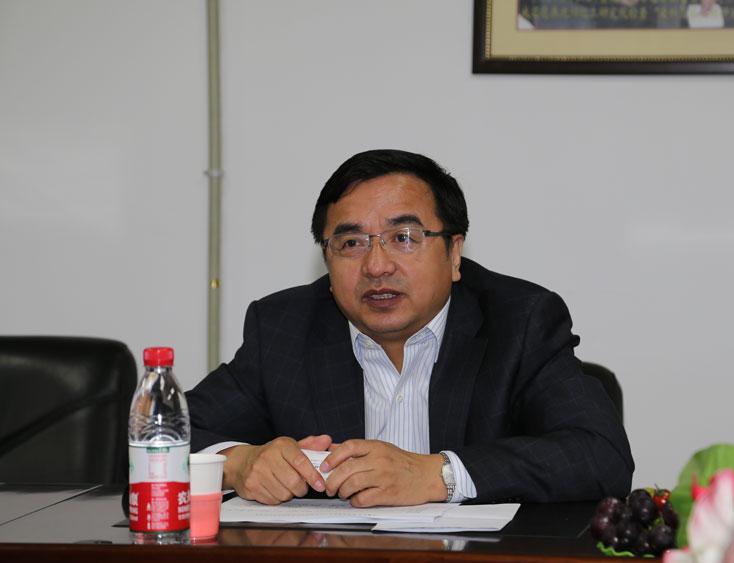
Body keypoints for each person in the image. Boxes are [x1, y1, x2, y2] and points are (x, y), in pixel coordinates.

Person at [186, 149, 634, 508]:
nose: (376, 266)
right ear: (327, 260)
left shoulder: (519, 321)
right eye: (351, 243)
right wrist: (237, 463)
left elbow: (600, 455)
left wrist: (437, 474)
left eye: (403, 238)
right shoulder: (284, 328)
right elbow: (166, 435)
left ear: (454, 253)